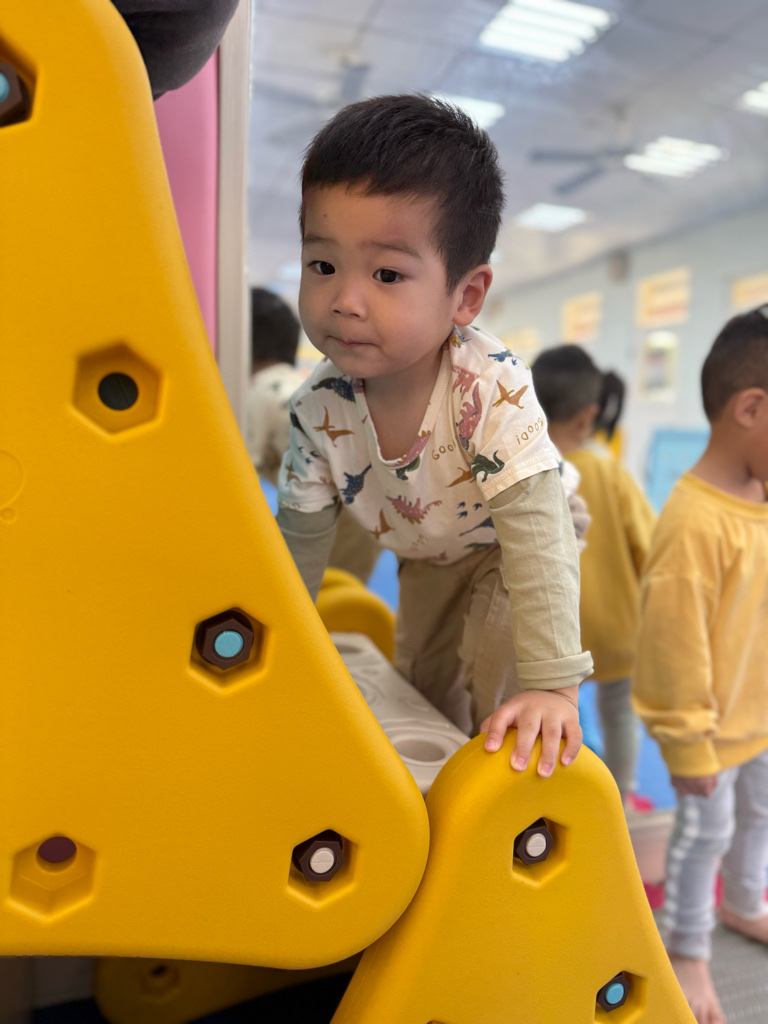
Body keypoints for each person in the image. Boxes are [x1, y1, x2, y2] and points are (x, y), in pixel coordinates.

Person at [276, 94, 593, 775]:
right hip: (430, 548)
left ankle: (514, 799)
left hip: (518, 541)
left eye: (387, 274)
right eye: (322, 265)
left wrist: (553, 686)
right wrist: (279, 643)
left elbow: (537, 534)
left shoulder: (486, 390)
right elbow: (299, 549)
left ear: (466, 296)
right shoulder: (316, 410)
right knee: (420, 678)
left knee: (499, 685)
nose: (345, 300)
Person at [633, 307, 768, 1024]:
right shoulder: (693, 524)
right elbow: (673, 646)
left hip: (760, 714)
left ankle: (744, 903)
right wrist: (686, 741)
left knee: (759, 821)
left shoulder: (759, 497)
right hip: (709, 730)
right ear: (751, 409)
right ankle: (687, 947)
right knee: (703, 835)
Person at [532, 346, 655, 809]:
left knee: (556, 709)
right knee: (619, 712)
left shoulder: (529, 468)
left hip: (555, 631)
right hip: (618, 627)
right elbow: (649, 545)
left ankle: (562, 798)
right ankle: (620, 799)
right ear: (588, 416)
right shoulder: (608, 471)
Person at [246, 287, 380, 583]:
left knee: (308, 593)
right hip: (369, 510)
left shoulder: (259, 391)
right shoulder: (298, 385)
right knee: (339, 590)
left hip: (333, 511)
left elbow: (239, 474)